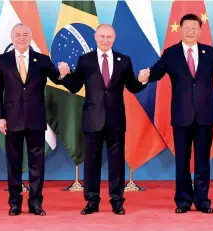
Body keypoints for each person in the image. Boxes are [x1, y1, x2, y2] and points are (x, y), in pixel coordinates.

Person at [138, 13, 213, 214]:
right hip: (181, 116)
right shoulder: (171, 53)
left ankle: (202, 201)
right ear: (180, 30)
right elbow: (157, 71)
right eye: (187, 28)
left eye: (194, 28)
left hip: (204, 116)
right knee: (182, 160)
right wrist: (147, 75)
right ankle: (182, 201)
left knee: (202, 161)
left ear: (200, 30)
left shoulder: (209, 52)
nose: (191, 31)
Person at [60, 24, 146, 215]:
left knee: (116, 162)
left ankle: (117, 200)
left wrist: (142, 80)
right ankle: (92, 201)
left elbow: (132, 87)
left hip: (116, 119)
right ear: (95, 37)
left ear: (114, 38)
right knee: (91, 162)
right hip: (92, 118)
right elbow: (75, 87)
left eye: (109, 37)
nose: (105, 40)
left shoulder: (124, 60)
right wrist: (65, 76)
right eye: (102, 36)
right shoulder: (85, 60)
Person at [0, 23, 69, 216]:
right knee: (14, 163)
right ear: (12, 37)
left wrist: (63, 72)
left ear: (30, 37)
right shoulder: (2, 61)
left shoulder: (42, 60)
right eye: (17, 35)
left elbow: (57, 79)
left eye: (25, 34)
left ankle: (36, 203)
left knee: (37, 164)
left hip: (36, 118)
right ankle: (14, 203)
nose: (21, 38)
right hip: (11, 119)